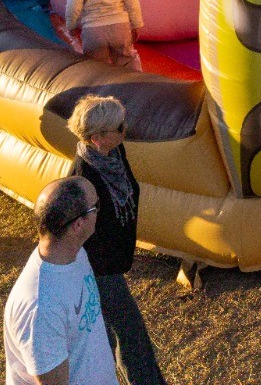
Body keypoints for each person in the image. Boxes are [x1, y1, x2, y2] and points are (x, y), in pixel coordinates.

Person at [69, 96, 169, 385]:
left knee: (111, 332)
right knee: (130, 332)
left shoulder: (113, 154)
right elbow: (79, 235)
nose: (126, 130)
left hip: (112, 261)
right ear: (97, 137)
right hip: (97, 268)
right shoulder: (83, 179)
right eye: (120, 127)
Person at [4, 177, 122, 385]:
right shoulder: (41, 308)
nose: (99, 212)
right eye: (96, 206)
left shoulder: (74, 253)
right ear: (78, 224)